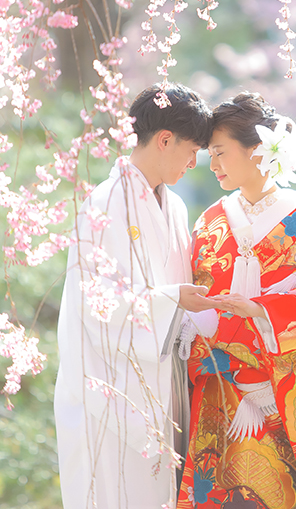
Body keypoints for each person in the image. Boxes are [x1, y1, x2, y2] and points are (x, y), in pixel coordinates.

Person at [177, 93, 296, 509]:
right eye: (210, 155)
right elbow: (194, 295)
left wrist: (260, 310)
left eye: (221, 153)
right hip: (223, 387)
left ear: (257, 149)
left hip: (285, 386)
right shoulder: (210, 220)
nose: (214, 165)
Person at [54, 83, 221, 509]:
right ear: (165, 139)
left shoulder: (177, 207)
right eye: (192, 150)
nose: (194, 162)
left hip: (165, 375)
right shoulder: (105, 202)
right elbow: (96, 305)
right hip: (111, 386)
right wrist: (172, 300)